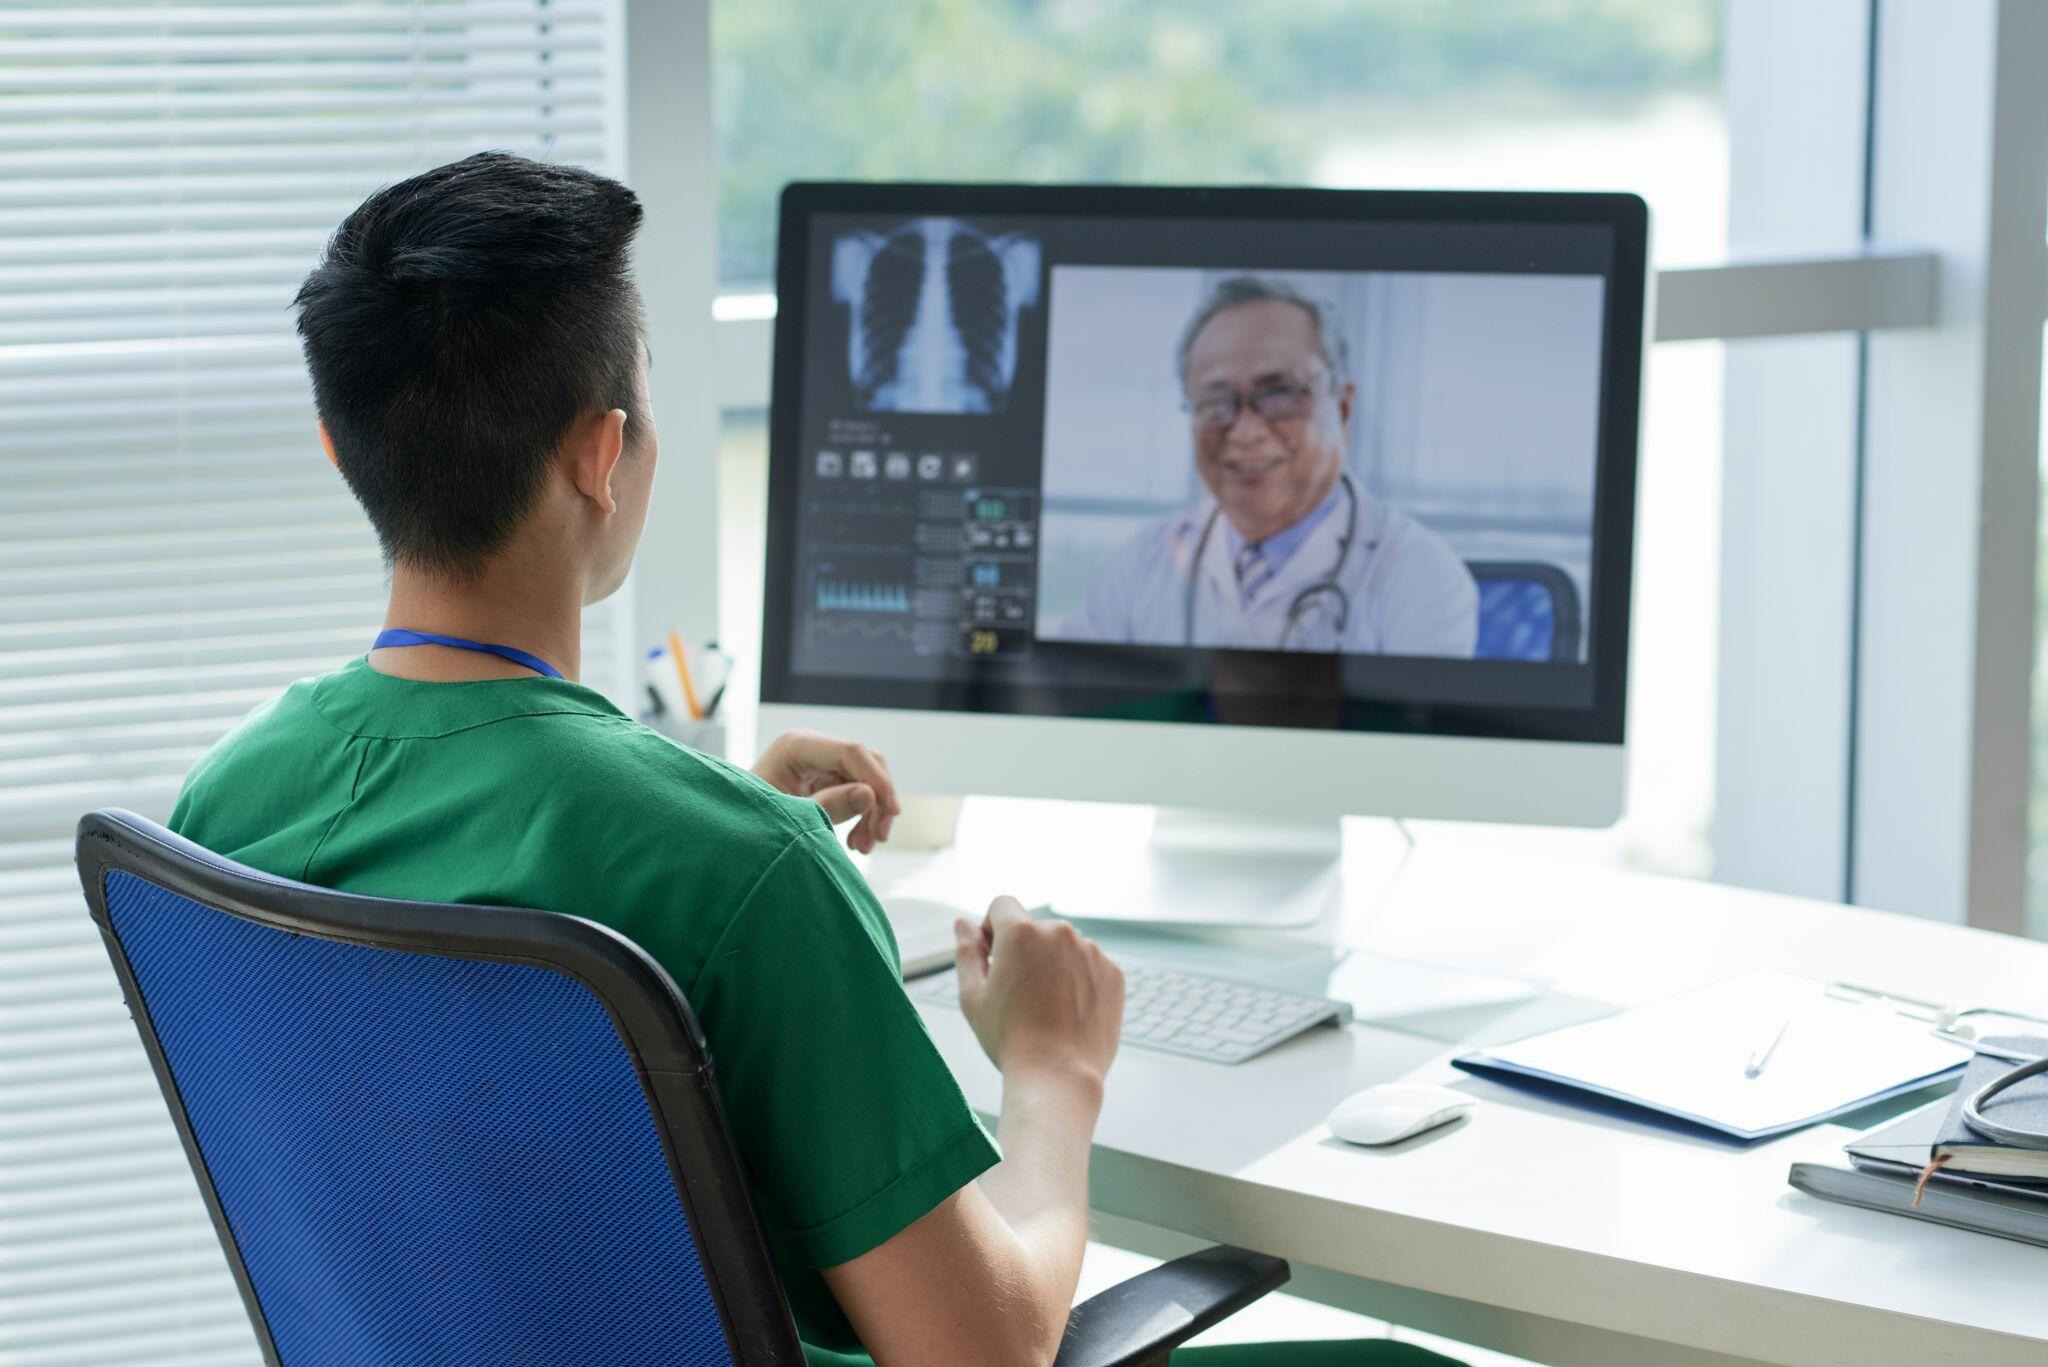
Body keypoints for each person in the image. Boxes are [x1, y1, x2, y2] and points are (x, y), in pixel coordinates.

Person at [168, 154, 1460, 1367]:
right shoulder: (744, 872)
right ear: (603, 453)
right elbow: (989, 1346)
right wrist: (1055, 1072)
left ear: (340, 446)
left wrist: (714, 816)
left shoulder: (232, 796)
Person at [1074, 276, 1478, 657]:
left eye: (1281, 394)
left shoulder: (1421, 577)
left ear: (1343, 406)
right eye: (1216, 402)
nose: (1247, 431)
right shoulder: (1138, 564)